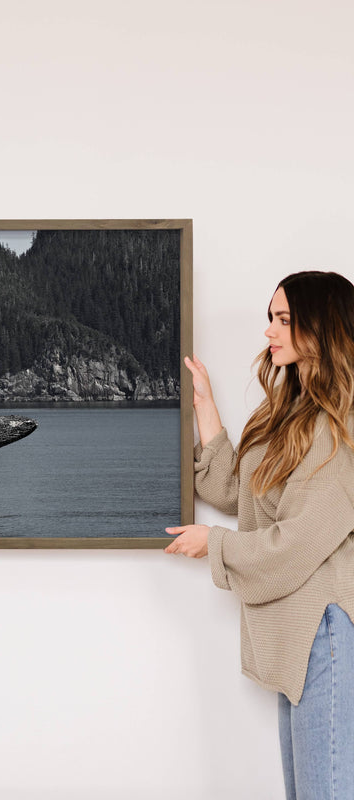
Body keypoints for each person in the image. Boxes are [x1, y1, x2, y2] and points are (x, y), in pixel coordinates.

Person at [165, 271, 354, 799]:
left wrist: (214, 545)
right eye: (270, 318)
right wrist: (204, 404)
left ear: (322, 328)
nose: (270, 332)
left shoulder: (343, 426)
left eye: (285, 320)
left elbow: (297, 543)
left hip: (326, 635)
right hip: (298, 638)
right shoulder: (289, 412)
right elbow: (238, 491)